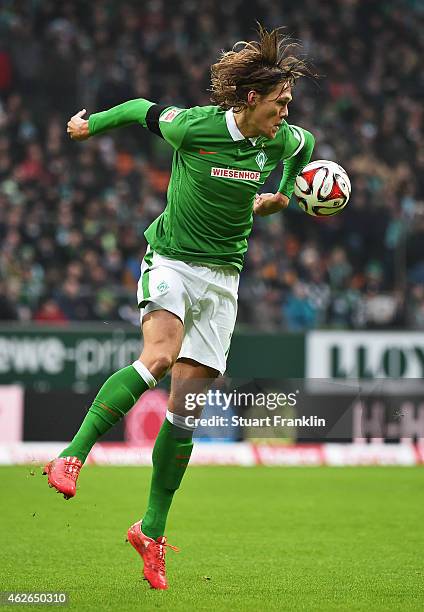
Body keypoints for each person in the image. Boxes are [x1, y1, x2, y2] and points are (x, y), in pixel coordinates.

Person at [43, 25, 315, 590]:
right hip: (171, 260)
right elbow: (142, 109)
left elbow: (304, 149)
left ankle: (151, 530)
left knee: (186, 412)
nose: (286, 113)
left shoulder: (281, 140)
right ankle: (71, 455)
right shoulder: (196, 127)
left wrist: (283, 194)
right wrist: (89, 124)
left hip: (223, 280)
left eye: (290, 103)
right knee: (159, 358)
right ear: (250, 99)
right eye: (280, 102)